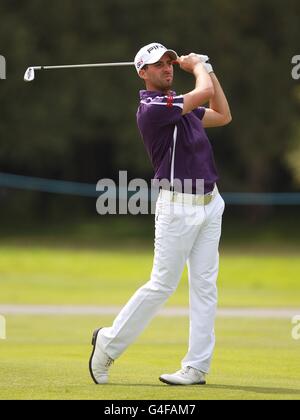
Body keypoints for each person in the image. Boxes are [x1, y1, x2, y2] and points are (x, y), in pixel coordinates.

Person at [89, 42, 232, 386]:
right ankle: (107, 343)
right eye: (159, 65)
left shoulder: (179, 107)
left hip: (210, 203)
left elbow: (222, 114)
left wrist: (207, 68)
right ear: (142, 72)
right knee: (162, 285)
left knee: (205, 287)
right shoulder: (153, 107)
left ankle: (196, 367)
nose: (168, 68)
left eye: (170, 62)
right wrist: (198, 66)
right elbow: (203, 92)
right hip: (177, 207)